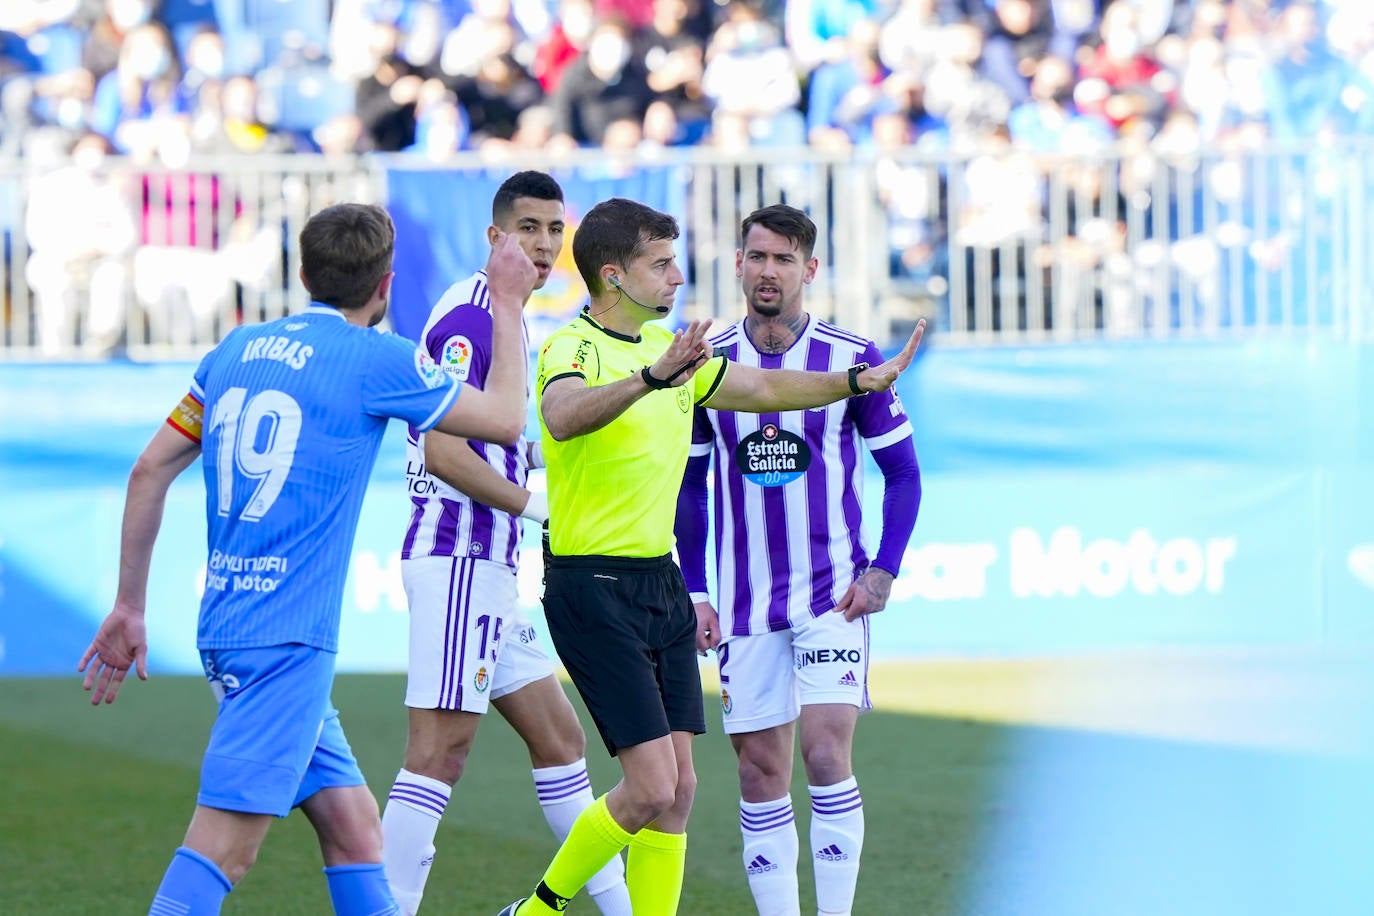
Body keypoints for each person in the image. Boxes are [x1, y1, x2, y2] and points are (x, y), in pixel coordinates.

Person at [76, 202, 537, 916]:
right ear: (385, 287)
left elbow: (149, 471)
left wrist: (130, 604)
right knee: (225, 850)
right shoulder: (377, 359)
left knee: (355, 834)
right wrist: (505, 302)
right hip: (287, 643)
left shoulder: (234, 351)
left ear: (301, 274)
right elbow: (505, 421)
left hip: (231, 622)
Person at [498, 197, 925, 916]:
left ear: (808, 270)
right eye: (662, 263)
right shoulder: (585, 346)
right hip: (613, 584)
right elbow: (566, 418)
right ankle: (538, 908)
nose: (677, 275)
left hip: (705, 585)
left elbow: (762, 389)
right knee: (670, 784)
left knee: (698, 785)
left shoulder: (691, 352)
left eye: (783, 258)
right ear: (613, 275)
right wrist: (655, 379)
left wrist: (856, 382)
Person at [382, 171, 631, 916]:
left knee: (560, 739)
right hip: (458, 554)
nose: (547, 244)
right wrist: (537, 507)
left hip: (487, 565)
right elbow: (443, 450)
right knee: (438, 755)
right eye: (530, 228)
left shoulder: (511, 313)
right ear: (495, 236)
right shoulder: (471, 317)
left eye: (556, 230)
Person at [675, 205, 922, 916]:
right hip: (745, 604)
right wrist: (696, 589)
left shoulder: (853, 358)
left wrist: (884, 568)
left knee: (822, 752)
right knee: (758, 770)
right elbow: (690, 486)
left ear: (809, 270)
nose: (768, 271)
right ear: (739, 265)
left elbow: (902, 473)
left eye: (784, 259)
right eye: (757, 257)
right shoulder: (707, 360)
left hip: (832, 597)